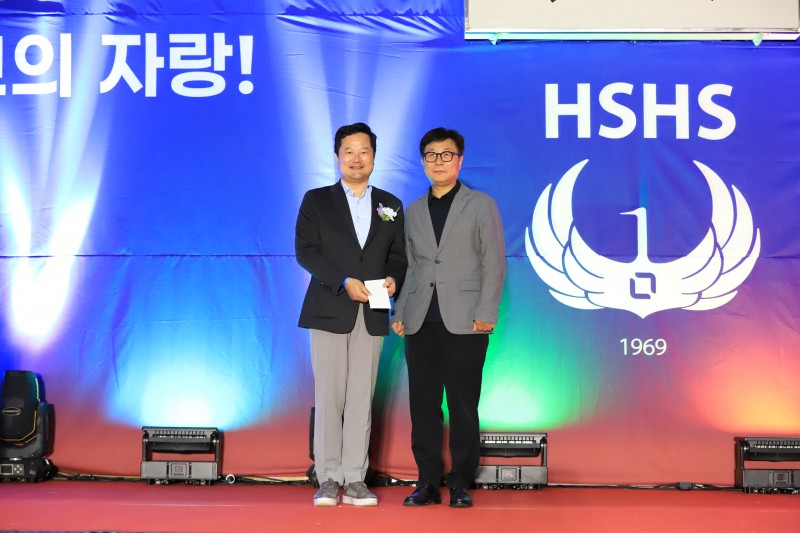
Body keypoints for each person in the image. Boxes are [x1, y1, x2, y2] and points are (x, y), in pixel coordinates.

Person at [391, 127, 505, 508]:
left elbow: (494, 262)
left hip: (467, 321)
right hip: (420, 321)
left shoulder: (481, 204)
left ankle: (460, 482)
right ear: (423, 162)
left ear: (459, 160)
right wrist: (400, 311)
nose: (438, 162)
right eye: (431, 155)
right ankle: (426, 482)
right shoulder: (412, 211)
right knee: (423, 406)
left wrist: (486, 312)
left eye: (446, 155)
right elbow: (410, 267)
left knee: (462, 406)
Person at [296, 122, 407, 507]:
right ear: (337, 156)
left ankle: (356, 478)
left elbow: (398, 256)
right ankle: (328, 477)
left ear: (374, 156)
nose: (357, 158)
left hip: (372, 311)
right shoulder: (316, 200)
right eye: (349, 151)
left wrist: (393, 278)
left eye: (364, 151)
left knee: (362, 397)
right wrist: (343, 281)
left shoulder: (391, 204)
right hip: (329, 308)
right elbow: (306, 252)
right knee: (329, 396)